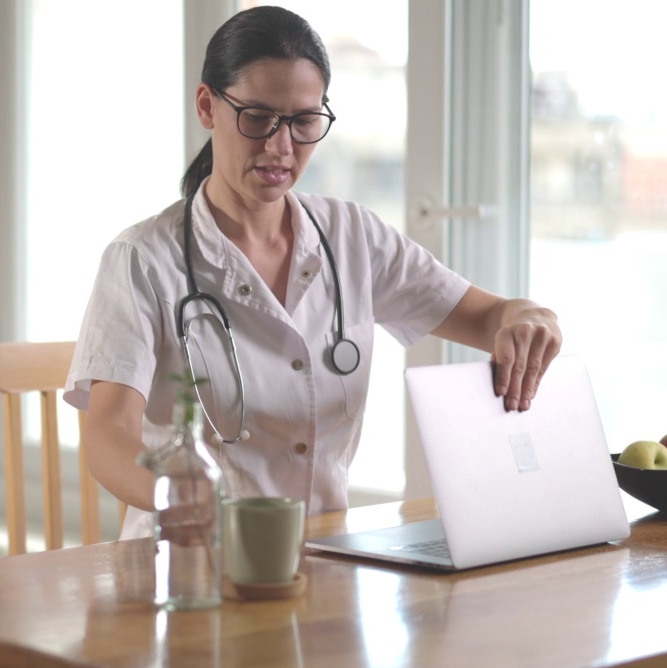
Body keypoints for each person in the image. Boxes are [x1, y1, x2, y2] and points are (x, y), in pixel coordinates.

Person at [62, 6, 561, 539]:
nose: (282, 147)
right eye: (257, 118)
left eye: (303, 122)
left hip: (327, 562)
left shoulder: (352, 236)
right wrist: (182, 494)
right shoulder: (142, 259)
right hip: (194, 564)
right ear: (207, 106)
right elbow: (109, 435)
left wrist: (531, 317)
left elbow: (489, 317)